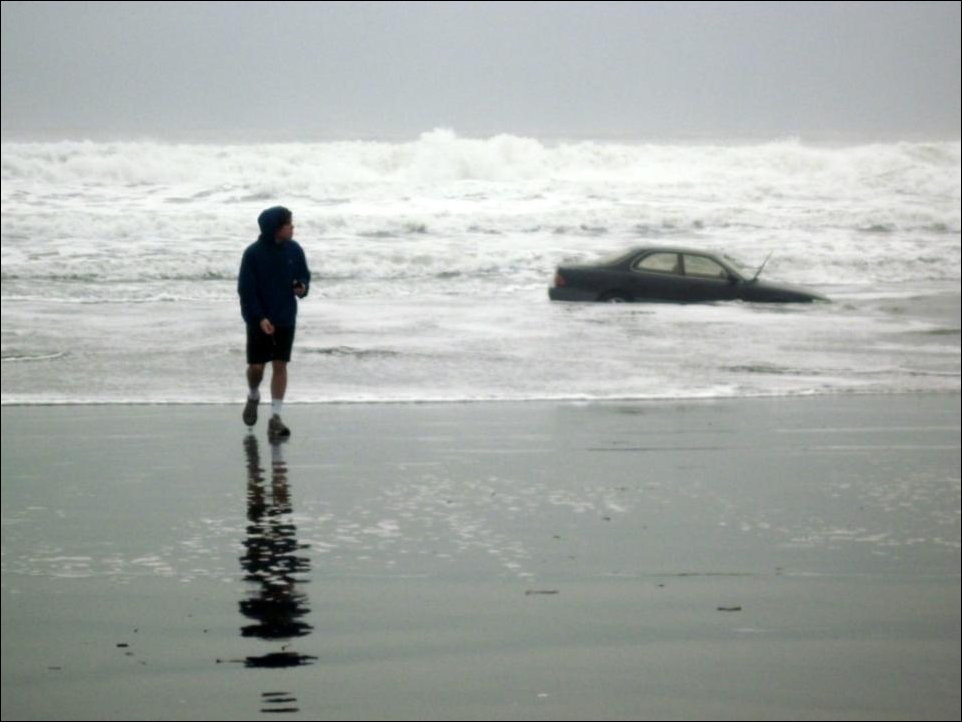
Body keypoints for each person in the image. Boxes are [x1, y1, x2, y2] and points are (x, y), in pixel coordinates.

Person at [237, 206, 311, 437]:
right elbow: (246, 291)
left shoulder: (295, 250)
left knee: (280, 365)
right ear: (275, 229)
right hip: (260, 319)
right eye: (289, 224)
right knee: (257, 368)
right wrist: (259, 318)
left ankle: (275, 417)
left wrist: (301, 287)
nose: (293, 227)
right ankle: (253, 394)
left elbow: (303, 276)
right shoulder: (253, 254)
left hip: (285, 316)